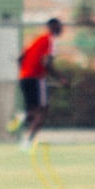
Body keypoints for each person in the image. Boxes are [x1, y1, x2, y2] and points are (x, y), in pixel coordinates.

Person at [17, 18, 64, 150]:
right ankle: (27, 142)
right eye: (60, 26)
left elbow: (20, 58)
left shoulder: (37, 39)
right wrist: (61, 79)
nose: (62, 29)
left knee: (33, 111)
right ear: (53, 27)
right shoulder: (50, 40)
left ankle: (22, 117)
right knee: (42, 111)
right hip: (37, 78)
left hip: (23, 77)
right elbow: (47, 63)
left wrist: (26, 70)